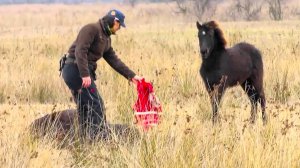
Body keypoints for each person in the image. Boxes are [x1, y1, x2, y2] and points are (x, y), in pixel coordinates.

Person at [60, 9, 142, 139]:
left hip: (81, 72)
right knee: (95, 103)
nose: (119, 29)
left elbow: (114, 61)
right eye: (119, 26)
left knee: (85, 105)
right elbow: (80, 51)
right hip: (74, 70)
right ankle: (97, 137)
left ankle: (85, 137)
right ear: (115, 21)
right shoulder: (91, 29)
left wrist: (132, 76)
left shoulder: (106, 39)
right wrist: (85, 74)